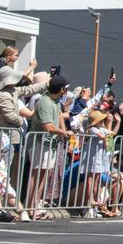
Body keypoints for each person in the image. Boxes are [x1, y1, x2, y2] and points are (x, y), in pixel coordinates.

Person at [26, 75, 72, 219]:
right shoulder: (44, 102)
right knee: (36, 174)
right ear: (61, 89)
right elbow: (48, 126)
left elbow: (59, 116)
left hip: (50, 143)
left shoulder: (55, 100)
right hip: (39, 141)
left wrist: (63, 130)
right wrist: (63, 132)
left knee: (45, 174)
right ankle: (29, 207)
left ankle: (36, 204)